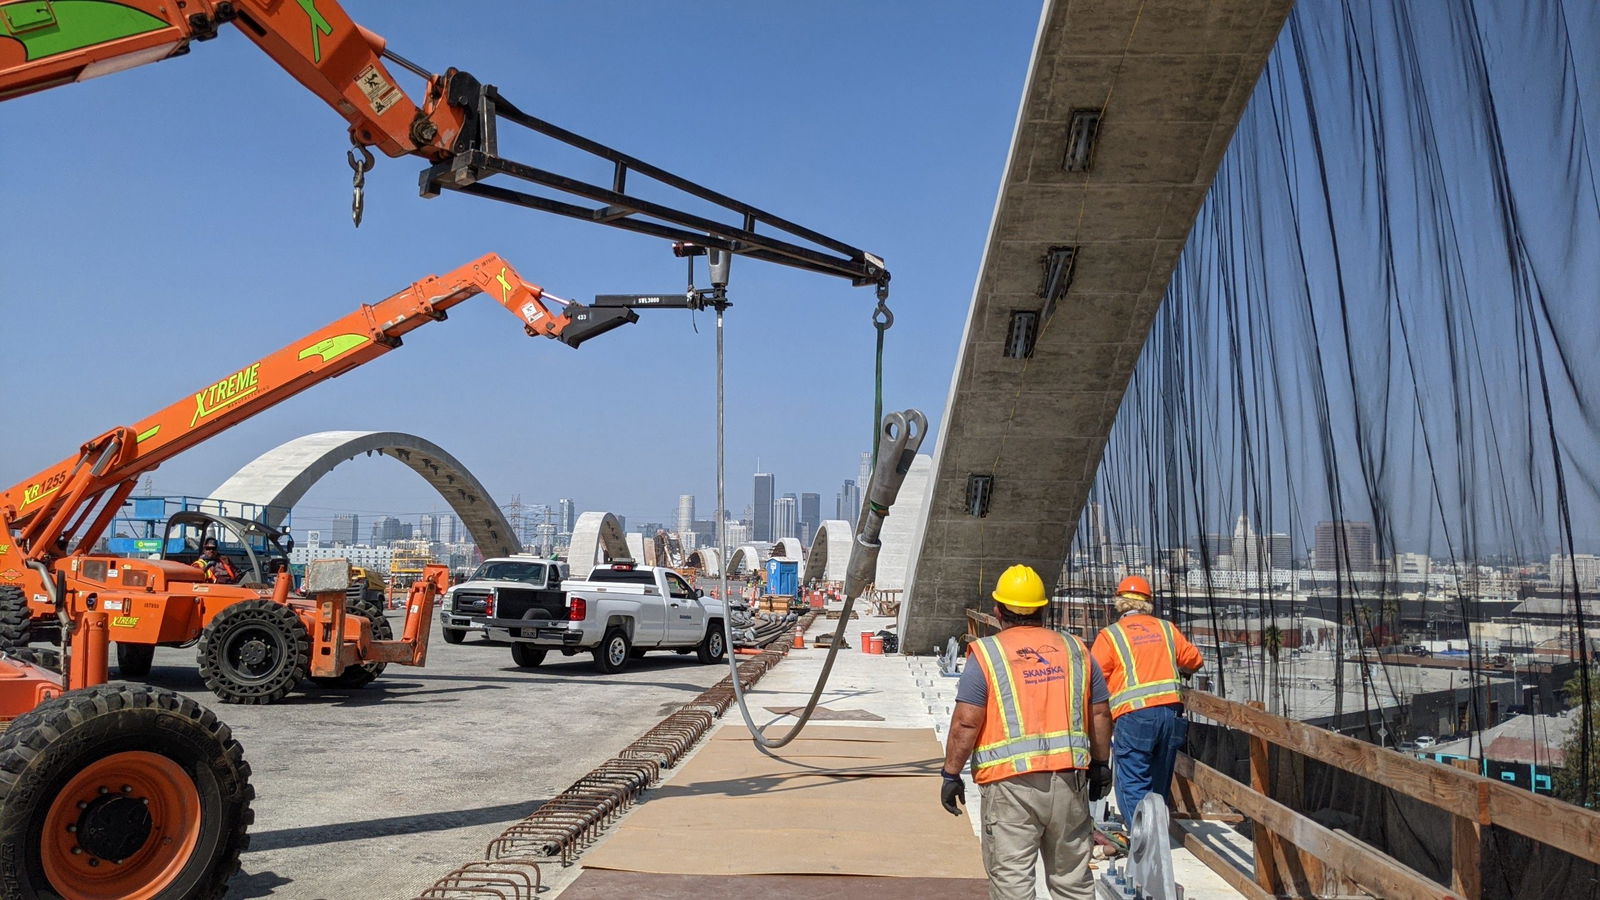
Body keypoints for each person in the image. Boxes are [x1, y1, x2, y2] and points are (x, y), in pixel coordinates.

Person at [940, 564, 1114, 900]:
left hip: (1010, 788)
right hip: (1069, 782)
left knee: (1013, 886)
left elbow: (966, 722)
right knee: (1072, 882)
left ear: (998, 611)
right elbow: (1100, 711)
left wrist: (950, 774)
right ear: (1044, 609)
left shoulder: (988, 655)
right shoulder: (1078, 650)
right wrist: (1101, 763)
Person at [1090, 575, 1204, 823]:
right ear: (1148, 602)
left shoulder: (1111, 636)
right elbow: (1194, 660)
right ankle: (1156, 834)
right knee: (1158, 784)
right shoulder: (1166, 629)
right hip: (1171, 715)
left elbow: (1094, 680)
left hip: (1135, 717)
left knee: (1132, 781)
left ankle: (1141, 843)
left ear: (1119, 603)